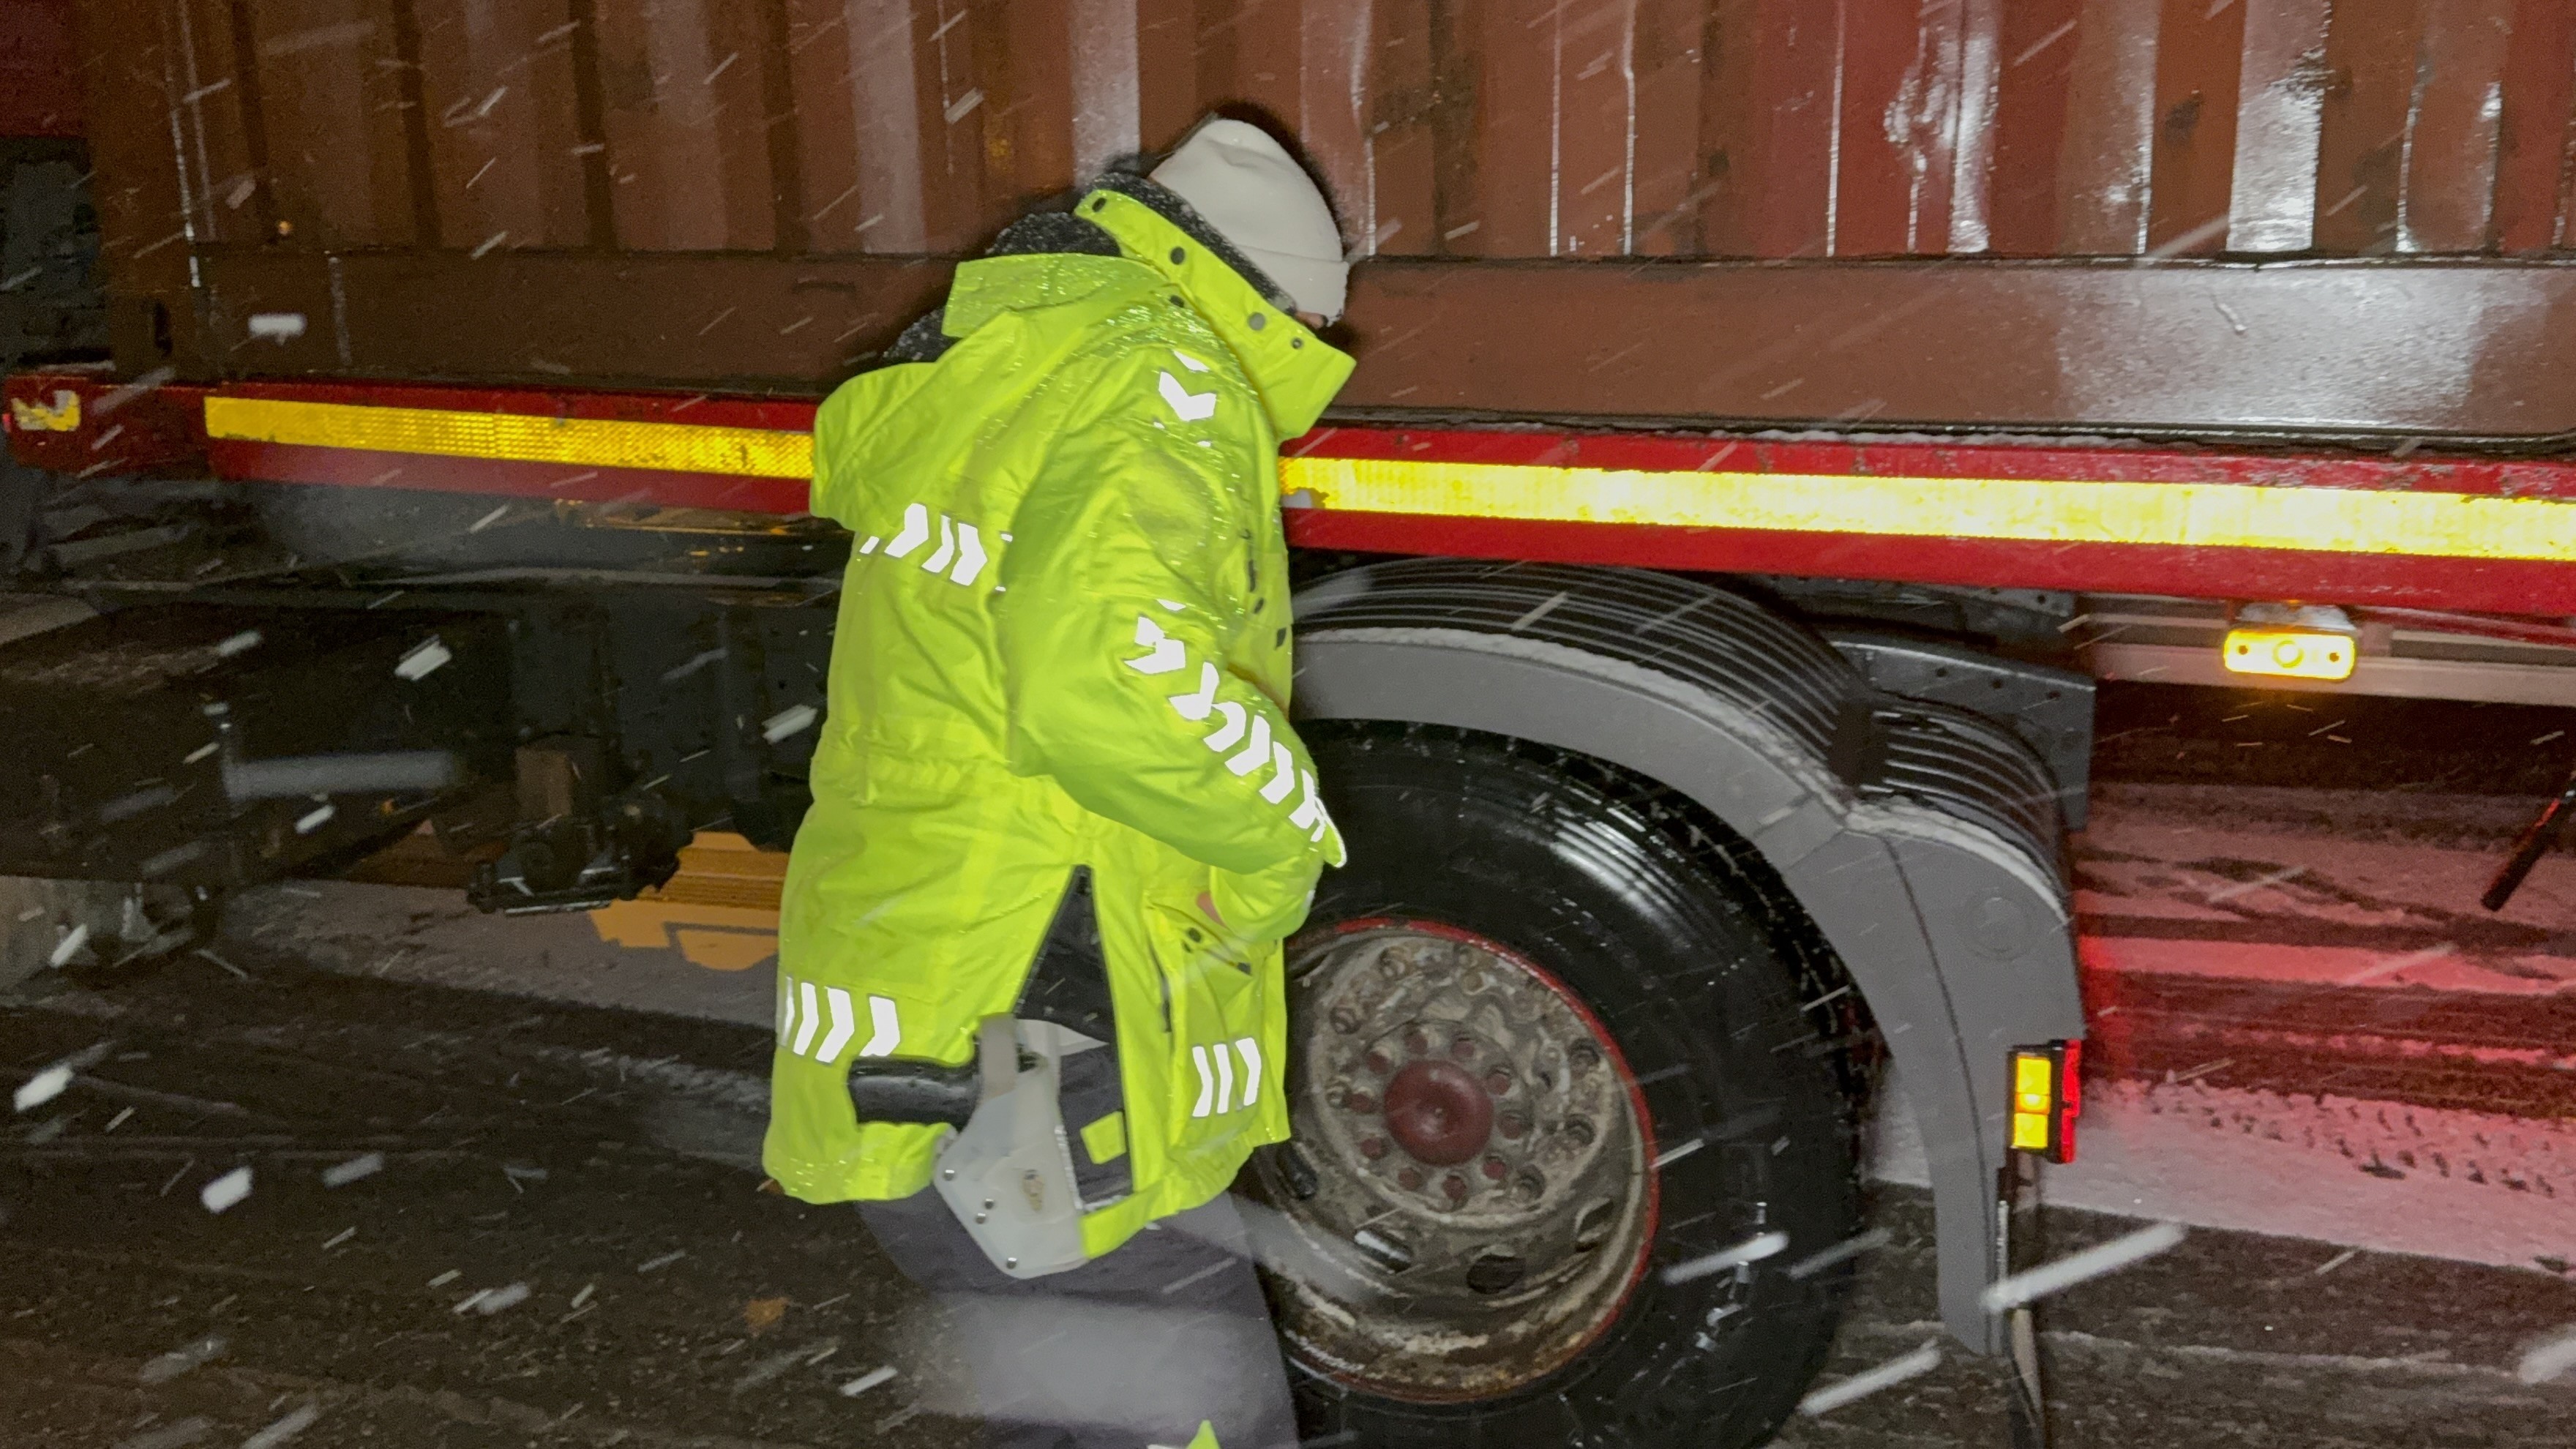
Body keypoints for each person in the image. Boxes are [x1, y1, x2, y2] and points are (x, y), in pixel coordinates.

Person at [763, 116, 1358, 1449]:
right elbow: (1111, 678)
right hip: (1049, 1028)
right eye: (1318, 331)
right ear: (1271, 301)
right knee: (1195, 1417)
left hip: (940, 996)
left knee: (1066, 1400)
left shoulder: (1005, 365)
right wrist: (1282, 835)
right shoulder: (1165, 378)